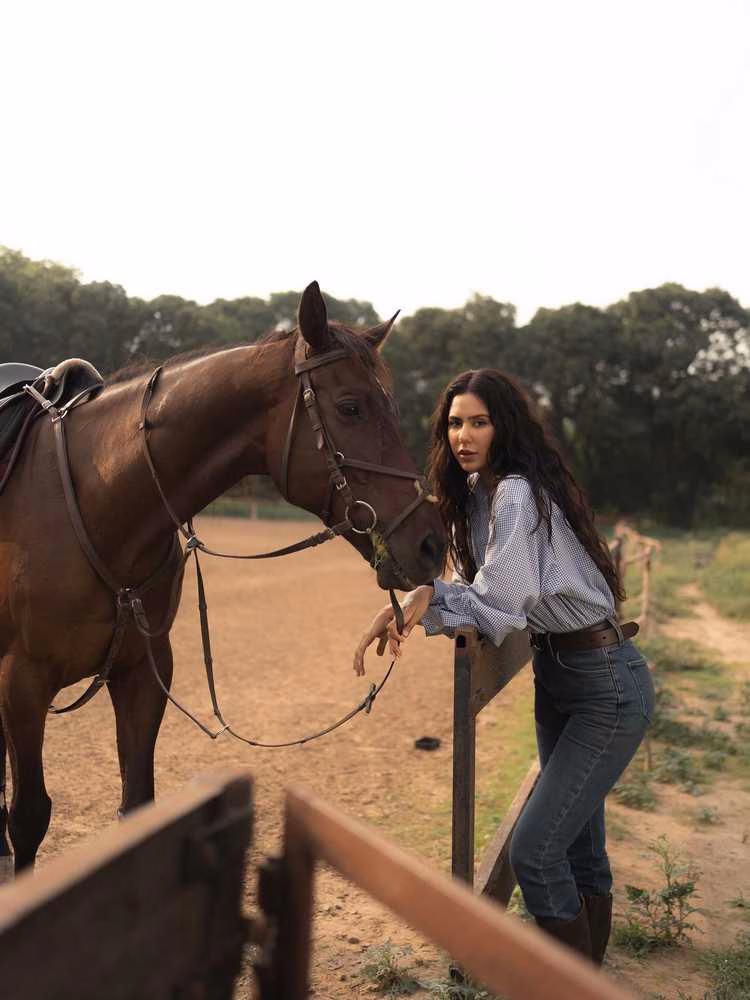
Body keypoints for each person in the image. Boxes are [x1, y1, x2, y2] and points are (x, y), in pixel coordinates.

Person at [353, 368, 654, 965]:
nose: (463, 435)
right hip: (561, 674)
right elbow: (485, 586)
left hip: (605, 684)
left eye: (479, 422)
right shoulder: (481, 495)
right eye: (455, 423)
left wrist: (427, 598)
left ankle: (560, 986)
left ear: (503, 426)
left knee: (537, 851)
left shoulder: (516, 491)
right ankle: (585, 980)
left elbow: (495, 604)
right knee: (580, 850)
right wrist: (430, 594)